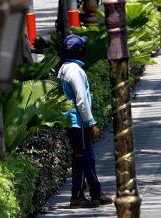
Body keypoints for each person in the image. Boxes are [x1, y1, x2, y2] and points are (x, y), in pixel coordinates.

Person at [57, 34, 113, 208]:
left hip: (71, 121)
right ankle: (77, 197)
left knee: (87, 158)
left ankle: (96, 191)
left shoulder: (64, 68)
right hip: (78, 122)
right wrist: (92, 123)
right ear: (81, 51)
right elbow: (81, 100)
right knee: (82, 159)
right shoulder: (75, 71)